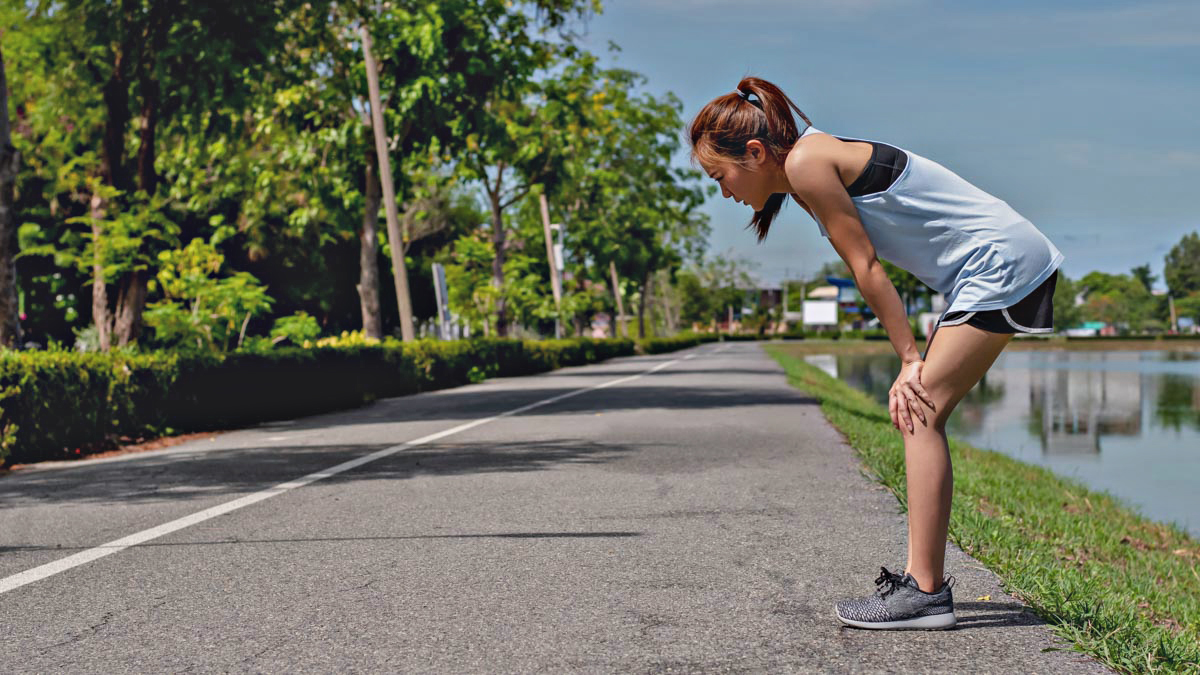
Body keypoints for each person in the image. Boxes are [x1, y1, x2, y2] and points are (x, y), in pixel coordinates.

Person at [687, 77, 1063, 630]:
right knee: (919, 414)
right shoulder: (808, 159)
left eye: (720, 177)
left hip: (999, 263)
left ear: (755, 153)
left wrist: (909, 359)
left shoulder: (807, 163)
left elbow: (865, 267)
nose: (724, 192)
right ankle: (921, 586)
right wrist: (911, 358)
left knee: (920, 409)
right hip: (990, 266)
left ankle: (925, 595)